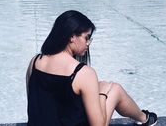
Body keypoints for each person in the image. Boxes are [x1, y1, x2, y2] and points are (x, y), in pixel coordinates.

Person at [26, 10, 157, 126]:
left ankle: (144, 118)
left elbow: (35, 106)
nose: (88, 43)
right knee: (114, 89)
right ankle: (145, 119)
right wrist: (104, 95)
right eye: (86, 38)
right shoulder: (82, 73)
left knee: (103, 85)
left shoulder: (35, 61)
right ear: (72, 36)